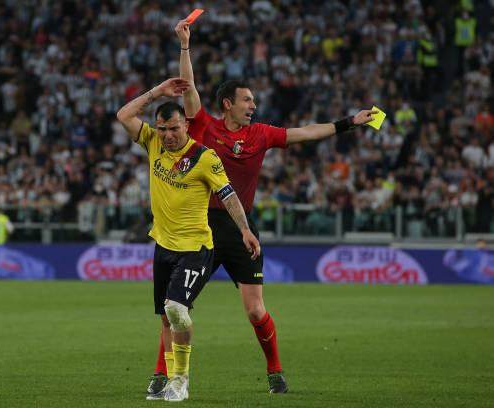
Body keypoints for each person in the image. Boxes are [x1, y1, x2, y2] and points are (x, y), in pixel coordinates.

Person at [144, 20, 378, 397]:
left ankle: (274, 371)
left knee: (255, 309)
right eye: (247, 100)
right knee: (176, 305)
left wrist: (349, 122)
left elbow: (305, 133)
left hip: (241, 228)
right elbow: (188, 87)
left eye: (253, 101)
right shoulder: (203, 127)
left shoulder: (261, 134)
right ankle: (161, 374)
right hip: (202, 229)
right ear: (228, 104)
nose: (253, 106)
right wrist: (185, 46)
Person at [116, 78, 260, 402]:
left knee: (177, 309)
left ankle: (180, 381)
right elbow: (123, 115)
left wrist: (245, 229)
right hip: (163, 246)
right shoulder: (152, 143)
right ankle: (170, 379)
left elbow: (228, 195)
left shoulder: (204, 157)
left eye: (174, 129)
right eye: (162, 129)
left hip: (196, 248)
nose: (168, 135)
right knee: (167, 317)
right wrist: (156, 92)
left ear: (186, 126)